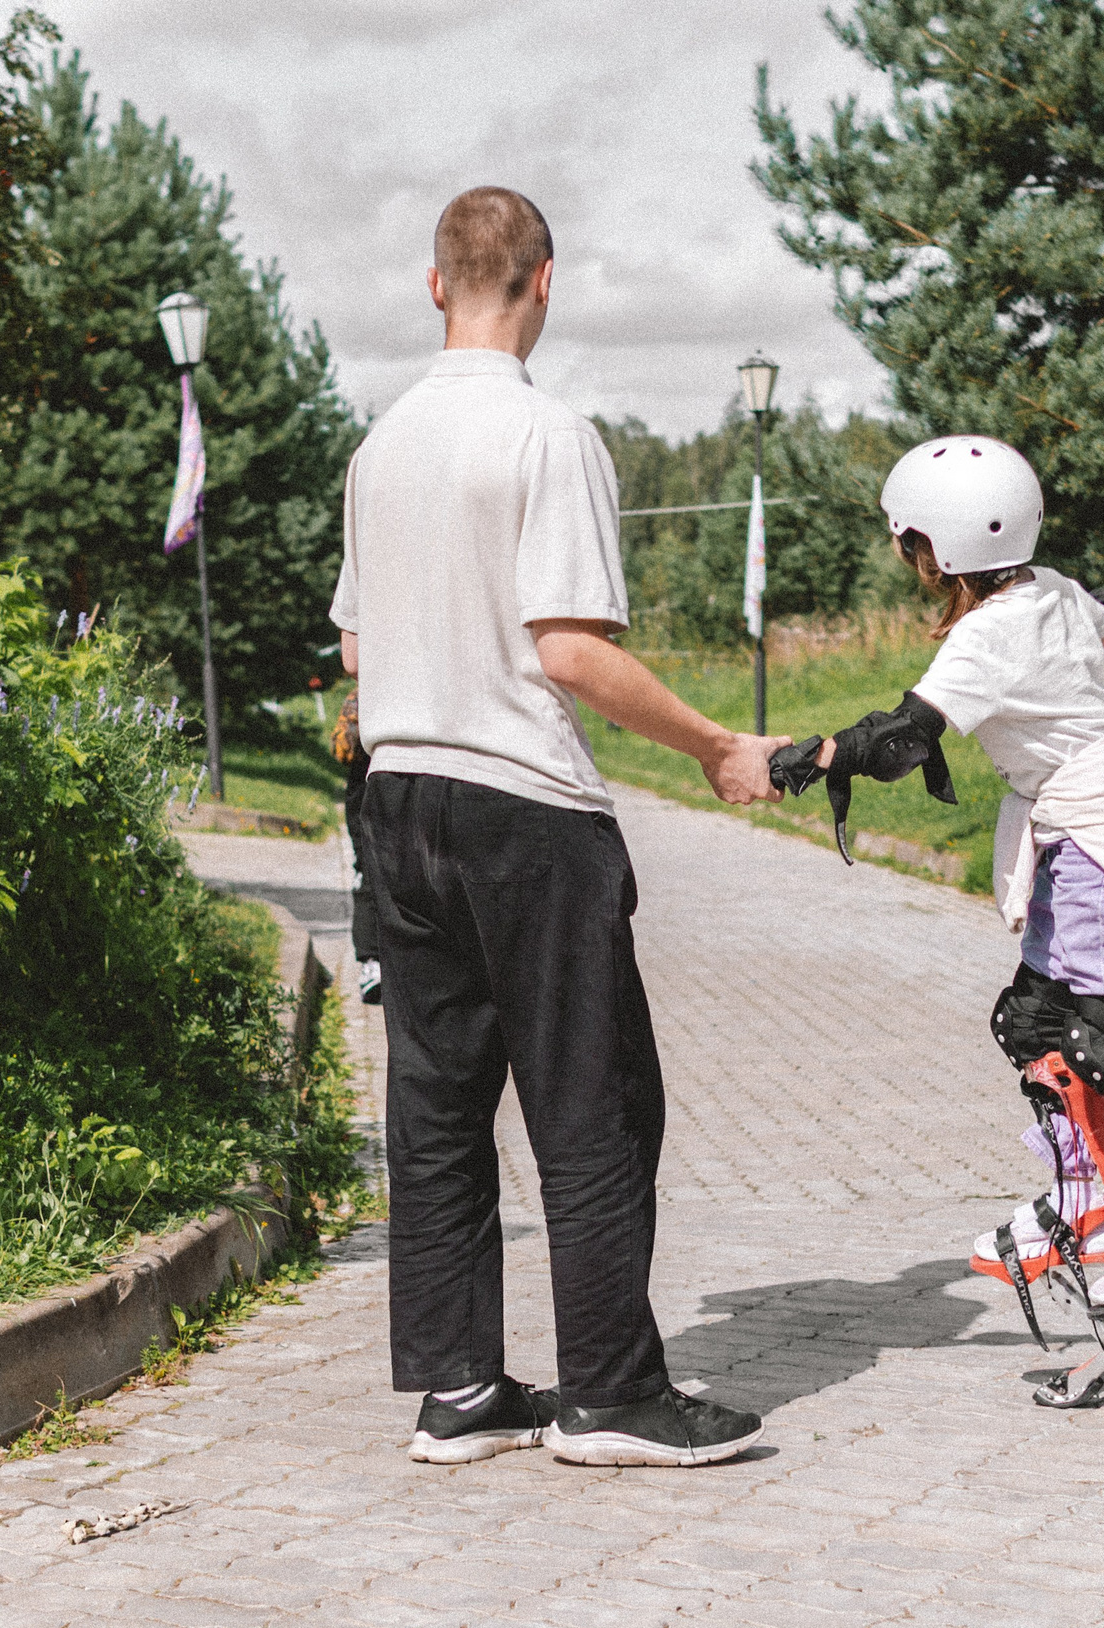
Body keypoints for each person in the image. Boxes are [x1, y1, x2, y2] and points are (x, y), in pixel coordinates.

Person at [331, 186, 787, 1468]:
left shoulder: (380, 448)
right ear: (546, 280)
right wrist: (713, 746)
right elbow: (570, 650)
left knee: (437, 1105)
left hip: (398, 798)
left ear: (434, 286)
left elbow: (359, 643)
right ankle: (607, 1396)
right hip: (521, 807)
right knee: (591, 1105)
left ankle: (461, 1391)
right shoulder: (546, 436)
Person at [776, 435, 1104, 1304]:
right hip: (1085, 831)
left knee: (1103, 1036)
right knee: (1033, 1023)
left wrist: (814, 756)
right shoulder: (1049, 588)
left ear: (941, 552)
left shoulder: (984, 637)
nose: (907, 558)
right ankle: (1083, 1197)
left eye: (911, 543)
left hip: (1100, 835)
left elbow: (906, 734)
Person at [327, 691, 381, 1005]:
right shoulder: (360, 694)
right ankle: (372, 962)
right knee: (368, 873)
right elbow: (341, 748)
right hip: (365, 786)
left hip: (392, 783)